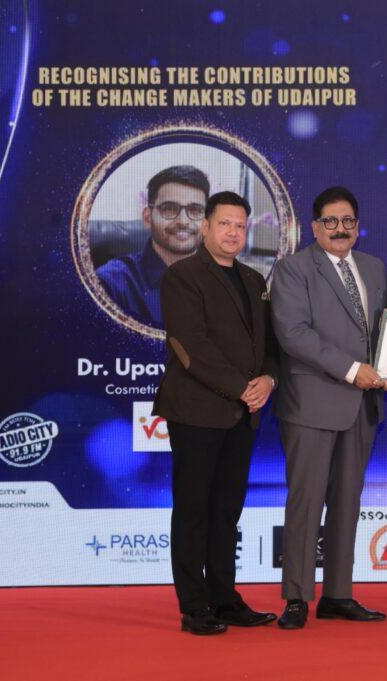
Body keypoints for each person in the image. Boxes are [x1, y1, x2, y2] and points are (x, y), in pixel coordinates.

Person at [270, 186, 387, 630]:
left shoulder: (373, 267)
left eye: (348, 221)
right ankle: (296, 597)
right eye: (330, 221)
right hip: (313, 402)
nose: (340, 229)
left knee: (347, 501)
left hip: (363, 405)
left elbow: (380, 330)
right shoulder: (292, 268)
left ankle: (338, 594)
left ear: (358, 226)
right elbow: (294, 334)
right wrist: (353, 370)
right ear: (315, 226)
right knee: (306, 502)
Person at [154, 190, 279, 635]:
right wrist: (242, 388)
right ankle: (194, 607)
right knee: (193, 511)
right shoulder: (182, 276)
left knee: (227, 511)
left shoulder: (254, 279)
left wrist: (269, 379)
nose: (233, 233)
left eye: (241, 226)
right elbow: (190, 347)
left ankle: (225, 599)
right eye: (225, 223)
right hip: (196, 413)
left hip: (242, 416)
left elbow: (269, 345)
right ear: (205, 226)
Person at [97, 165, 209, 327]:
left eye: (195, 210)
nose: (183, 221)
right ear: (147, 217)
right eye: (169, 209)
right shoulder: (111, 284)